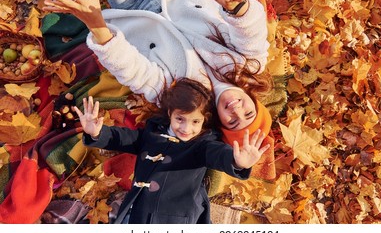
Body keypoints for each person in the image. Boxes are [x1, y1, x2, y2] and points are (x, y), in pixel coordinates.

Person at [43, 0, 276, 180]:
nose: (237, 110)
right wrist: (237, 6)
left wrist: (98, 27)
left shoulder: (183, 102)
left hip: (136, 8)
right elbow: (250, 32)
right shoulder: (250, 65)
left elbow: (134, 71)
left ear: (220, 123)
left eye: (233, 122)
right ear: (256, 103)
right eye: (249, 114)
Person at [74, 78, 270, 223]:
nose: (186, 129)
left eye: (195, 122)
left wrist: (238, 163)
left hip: (174, 220)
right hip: (137, 215)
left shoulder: (202, 144)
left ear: (204, 120)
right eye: (180, 120)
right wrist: (98, 132)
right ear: (170, 114)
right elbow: (124, 138)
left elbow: (218, 155)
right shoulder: (152, 132)